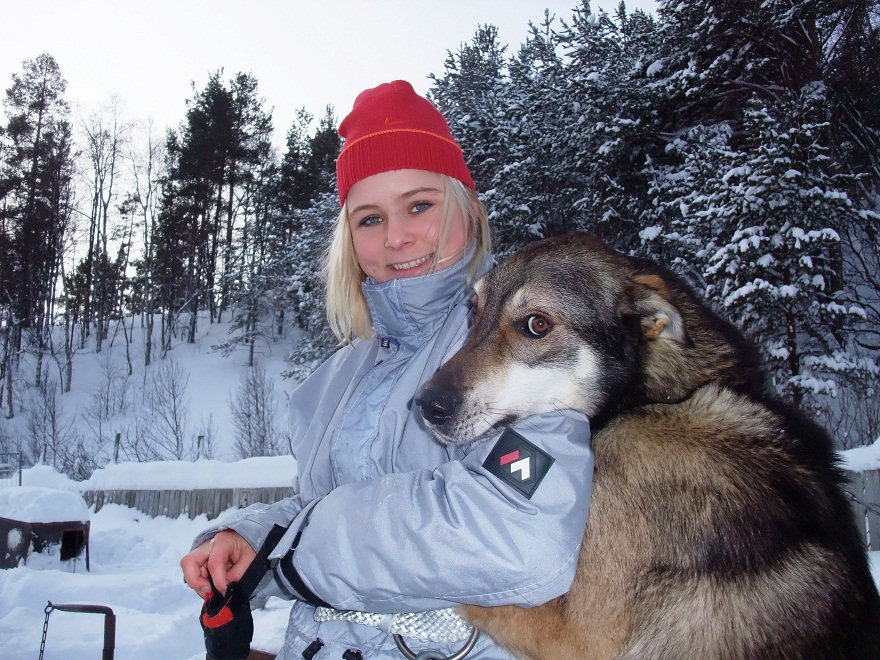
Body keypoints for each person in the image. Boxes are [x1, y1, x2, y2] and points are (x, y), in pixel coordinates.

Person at [181, 80, 594, 659]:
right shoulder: (332, 379)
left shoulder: (523, 341)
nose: (396, 237)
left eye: (420, 205)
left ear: (467, 212)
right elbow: (319, 504)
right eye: (369, 218)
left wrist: (297, 550)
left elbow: (519, 535)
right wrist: (251, 539)